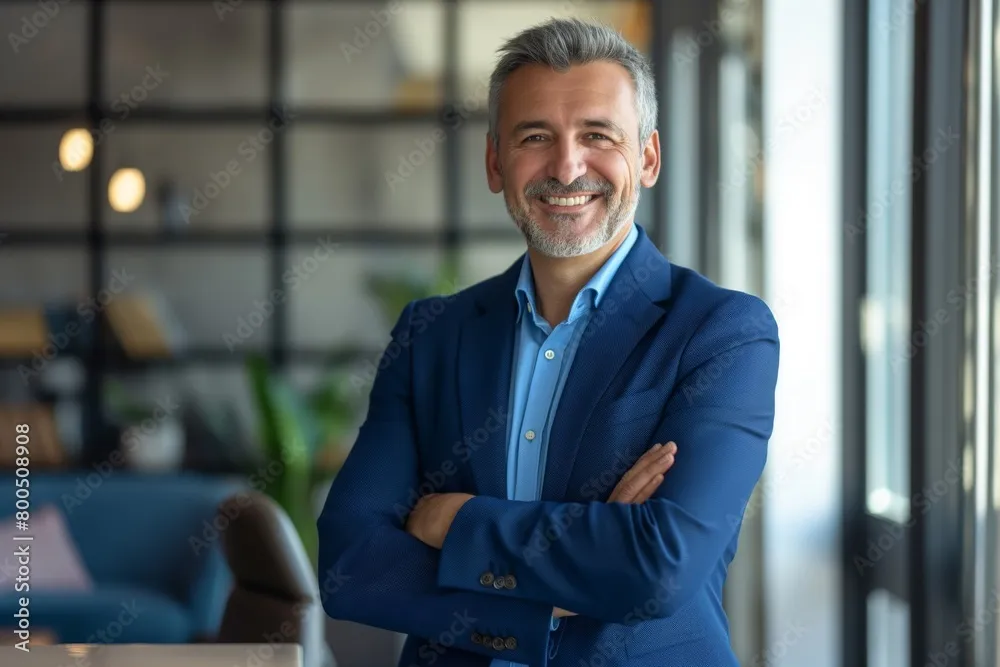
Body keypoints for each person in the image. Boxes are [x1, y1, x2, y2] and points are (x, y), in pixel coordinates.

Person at [318, 17, 779, 667]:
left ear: (646, 158)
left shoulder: (722, 333)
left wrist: (457, 522)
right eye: (536, 136)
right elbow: (350, 564)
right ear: (494, 161)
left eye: (598, 135)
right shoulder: (430, 333)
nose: (567, 166)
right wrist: (569, 581)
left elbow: (659, 566)